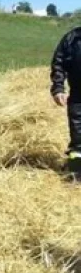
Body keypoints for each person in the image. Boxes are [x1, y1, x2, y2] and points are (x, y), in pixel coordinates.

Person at [49, 23, 81, 180]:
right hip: (78, 98)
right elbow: (58, 63)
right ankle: (76, 175)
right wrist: (58, 88)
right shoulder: (72, 39)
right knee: (78, 140)